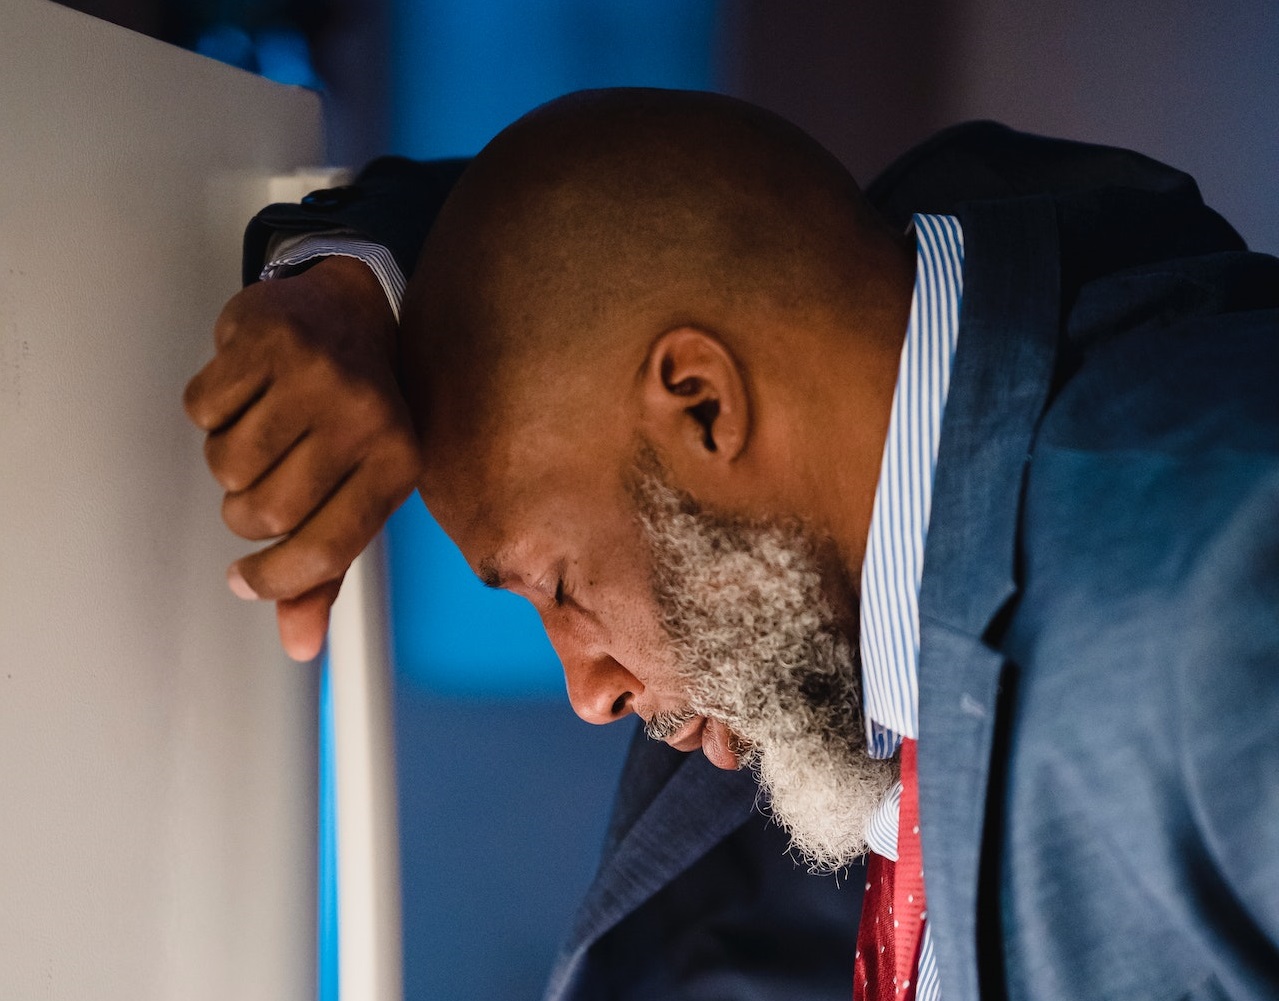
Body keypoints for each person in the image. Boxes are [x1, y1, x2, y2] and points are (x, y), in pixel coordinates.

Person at [185, 89, 1279, 1000]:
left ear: (703, 406)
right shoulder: (889, 313)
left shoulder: (1220, 595)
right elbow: (607, 213)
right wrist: (350, 285)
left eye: (558, 586)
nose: (588, 691)